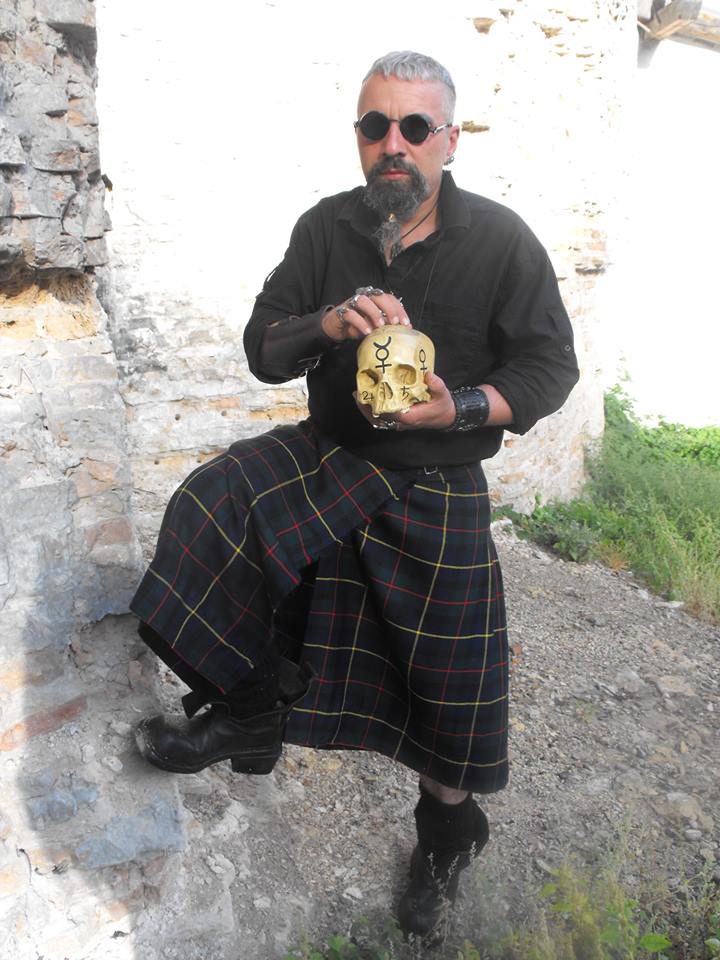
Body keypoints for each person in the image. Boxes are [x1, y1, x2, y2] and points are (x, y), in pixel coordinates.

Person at [131, 51, 579, 942]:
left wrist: (463, 407)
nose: (394, 144)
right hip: (329, 453)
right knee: (211, 506)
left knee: (443, 691)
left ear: (450, 138)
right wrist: (328, 322)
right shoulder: (325, 228)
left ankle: (446, 839)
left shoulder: (501, 240)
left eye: (415, 127)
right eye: (377, 126)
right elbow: (263, 346)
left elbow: (549, 366)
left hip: (437, 477)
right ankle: (249, 712)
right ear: (360, 137)